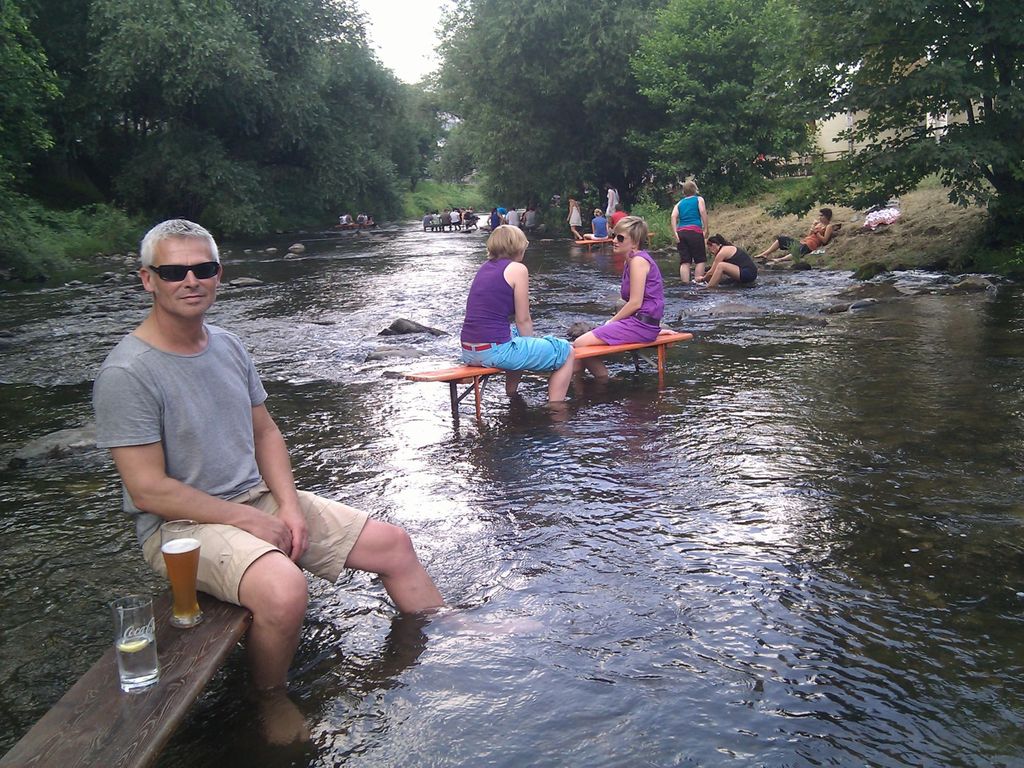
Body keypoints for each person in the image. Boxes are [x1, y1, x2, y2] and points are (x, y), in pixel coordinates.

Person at [92, 219, 443, 744]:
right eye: (173, 271)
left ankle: (443, 628)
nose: (191, 280)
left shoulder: (229, 346)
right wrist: (253, 520)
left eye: (203, 268)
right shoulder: (128, 373)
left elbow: (266, 433)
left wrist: (288, 507)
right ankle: (269, 699)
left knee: (393, 544)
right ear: (148, 280)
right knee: (284, 589)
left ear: (218, 274)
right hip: (179, 529)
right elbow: (148, 490)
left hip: (253, 499)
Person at [460, 225, 575, 403]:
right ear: (517, 246)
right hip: (494, 352)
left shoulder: (484, 268)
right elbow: (523, 319)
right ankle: (556, 410)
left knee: (514, 334)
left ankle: (512, 394)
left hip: (468, 351)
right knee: (566, 351)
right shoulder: (518, 269)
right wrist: (531, 344)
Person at [573, 216, 669, 380]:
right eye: (614, 235)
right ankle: (580, 389)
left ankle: (603, 380)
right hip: (640, 323)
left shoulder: (638, 261)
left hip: (641, 325)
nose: (614, 240)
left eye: (620, 237)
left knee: (579, 344)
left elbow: (635, 302)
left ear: (634, 241)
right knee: (578, 353)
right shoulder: (630, 261)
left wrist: (612, 321)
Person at [755, 208, 834, 261]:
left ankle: (780, 260)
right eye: (819, 215)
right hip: (804, 241)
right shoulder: (818, 224)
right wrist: (813, 227)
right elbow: (809, 235)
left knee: (800, 249)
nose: (820, 217)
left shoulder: (828, 226)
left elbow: (824, 240)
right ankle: (765, 254)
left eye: (822, 215)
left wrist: (816, 232)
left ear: (826, 216)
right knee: (781, 239)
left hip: (810, 245)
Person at [670, 180, 709, 284]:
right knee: (700, 260)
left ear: (684, 192)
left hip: (681, 232)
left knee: (685, 261)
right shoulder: (699, 199)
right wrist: (706, 228)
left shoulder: (679, 203)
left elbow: (673, 216)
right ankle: (698, 282)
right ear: (695, 189)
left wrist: (675, 233)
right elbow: (702, 212)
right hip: (695, 231)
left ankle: (685, 284)